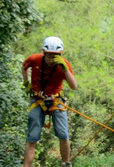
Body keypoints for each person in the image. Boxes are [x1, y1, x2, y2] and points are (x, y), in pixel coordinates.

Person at [22, 36, 77, 167]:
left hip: (55, 99)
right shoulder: (34, 59)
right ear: (44, 53)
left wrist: (65, 70)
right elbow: (24, 66)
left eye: (55, 56)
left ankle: (66, 163)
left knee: (63, 134)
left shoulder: (64, 64)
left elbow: (74, 86)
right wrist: (26, 83)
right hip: (37, 99)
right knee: (32, 137)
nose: (52, 60)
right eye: (49, 56)